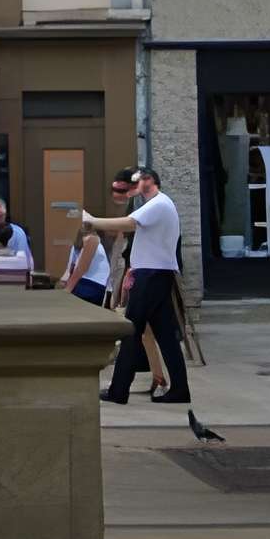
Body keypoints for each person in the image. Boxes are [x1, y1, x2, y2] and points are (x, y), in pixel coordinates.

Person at [86, 169, 190, 405]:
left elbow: (129, 223)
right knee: (165, 337)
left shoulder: (158, 204)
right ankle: (180, 389)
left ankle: (119, 391)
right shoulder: (159, 204)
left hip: (150, 276)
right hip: (155, 274)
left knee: (130, 332)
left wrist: (92, 221)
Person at [102, 167, 170, 394]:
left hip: (141, 272)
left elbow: (126, 237)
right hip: (140, 270)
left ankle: (151, 380)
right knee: (145, 331)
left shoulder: (146, 207)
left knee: (139, 330)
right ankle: (158, 378)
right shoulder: (147, 205)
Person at [59, 218, 110, 307]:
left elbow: (80, 269)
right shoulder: (84, 244)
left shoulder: (92, 241)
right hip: (95, 284)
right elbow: (71, 268)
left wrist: (67, 289)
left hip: (91, 284)